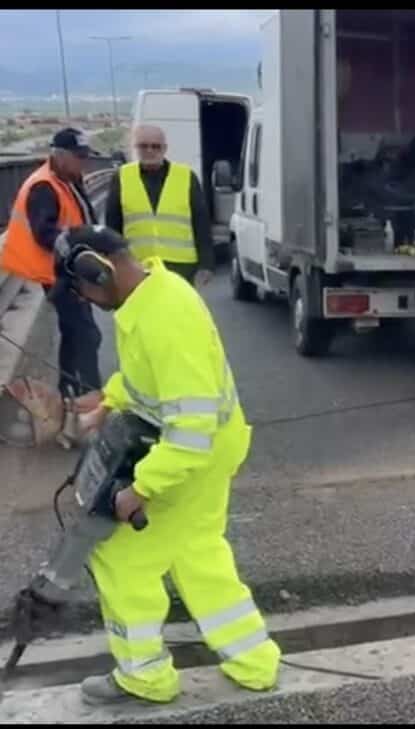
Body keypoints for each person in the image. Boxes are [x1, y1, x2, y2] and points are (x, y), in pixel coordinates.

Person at [58, 225, 280, 705]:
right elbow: (146, 379)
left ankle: (145, 678)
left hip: (191, 455)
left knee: (119, 557)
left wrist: (139, 489)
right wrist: (106, 402)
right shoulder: (150, 293)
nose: (86, 300)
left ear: (100, 270)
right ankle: (254, 660)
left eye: (83, 289)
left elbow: (189, 432)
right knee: (197, 550)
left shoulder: (165, 320)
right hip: (214, 448)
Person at [0, 128, 102, 401]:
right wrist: (78, 250)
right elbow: (45, 233)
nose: (85, 162)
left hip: (70, 272)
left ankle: (69, 392)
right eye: (79, 157)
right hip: (58, 274)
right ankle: (91, 399)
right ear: (60, 155)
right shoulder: (43, 186)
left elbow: (82, 217)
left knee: (73, 334)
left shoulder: (68, 178)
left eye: (86, 156)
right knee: (87, 335)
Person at [105, 124, 215, 286]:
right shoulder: (121, 177)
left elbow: (201, 223)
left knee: (176, 312)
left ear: (164, 148)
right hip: (138, 266)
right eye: (143, 146)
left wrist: (206, 264)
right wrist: (114, 263)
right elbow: (113, 225)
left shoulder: (185, 176)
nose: (149, 151)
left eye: (155, 146)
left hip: (181, 266)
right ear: (135, 148)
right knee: (142, 311)